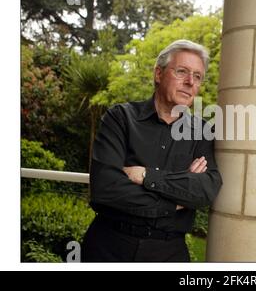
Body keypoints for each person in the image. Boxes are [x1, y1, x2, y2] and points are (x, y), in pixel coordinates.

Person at [81, 40, 223, 262]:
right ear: (159, 74)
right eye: (182, 71)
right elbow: (106, 187)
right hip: (108, 247)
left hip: (168, 253)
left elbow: (206, 190)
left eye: (197, 76)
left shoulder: (202, 131)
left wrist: (146, 175)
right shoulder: (120, 118)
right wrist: (177, 199)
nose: (190, 82)